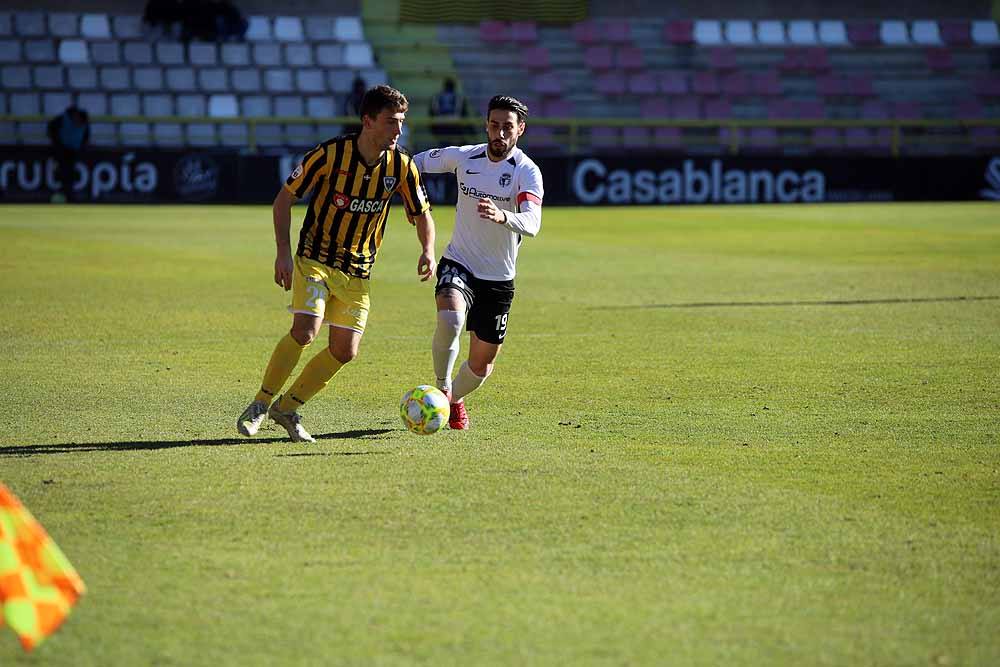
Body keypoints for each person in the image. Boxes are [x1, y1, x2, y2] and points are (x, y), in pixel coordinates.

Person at [236, 85, 437, 442]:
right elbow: (284, 200)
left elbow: (422, 213)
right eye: (391, 122)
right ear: (368, 121)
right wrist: (283, 251)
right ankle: (260, 404)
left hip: (358, 271)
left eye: (402, 122)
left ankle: (288, 408)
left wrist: (428, 249)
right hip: (315, 258)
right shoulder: (330, 155)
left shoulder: (402, 165)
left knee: (345, 351)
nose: (398, 131)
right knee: (306, 330)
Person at [411, 95, 543, 430]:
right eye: (494, 125)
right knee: (451, 319)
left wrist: (503, 216)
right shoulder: (464, 157)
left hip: (498, 277)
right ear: (487, 124)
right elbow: (414, 164)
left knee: (482, 364)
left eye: (507, 127)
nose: (499, 133)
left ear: (520, 130)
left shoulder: (526, 172)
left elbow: (532, 222)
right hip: (459, 261)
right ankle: (441, 387)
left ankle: (453, 399)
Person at [46, 105, 90, 203]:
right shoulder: (61, 120)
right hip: (61, 150)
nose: (79, 124)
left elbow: (85, 137)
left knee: (69, 173)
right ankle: (63, 193)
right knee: (62, 172)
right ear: (75, 116)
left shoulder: (84, 124)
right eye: (78, 121)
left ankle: (68, 194)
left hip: (72, 151)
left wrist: (82, 147)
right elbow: (51, 130)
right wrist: (57, 144)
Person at [429, 77, 470, 144]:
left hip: (441, 122)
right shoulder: (458, 97)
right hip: (453, 122)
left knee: (446, 141)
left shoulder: (437, 96)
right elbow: (462, 111)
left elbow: (433, 111)